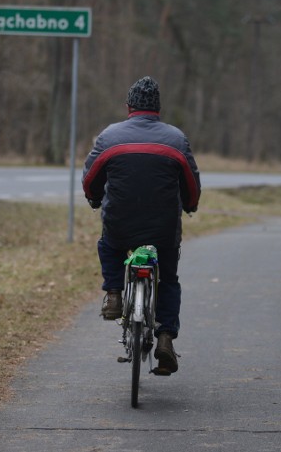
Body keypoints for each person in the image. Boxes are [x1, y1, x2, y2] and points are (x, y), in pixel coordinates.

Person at [82, 76, 201, 375]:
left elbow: (90, 180)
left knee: (107, 244)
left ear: (128, 107)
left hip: (120, 225)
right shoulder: (176, 138)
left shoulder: (109, 137)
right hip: (163, 229)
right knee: (169, 279)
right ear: (158, 109)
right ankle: (165, 337)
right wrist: (190, 205)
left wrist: (95, 199)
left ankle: (113, 293)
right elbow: (191, 184)